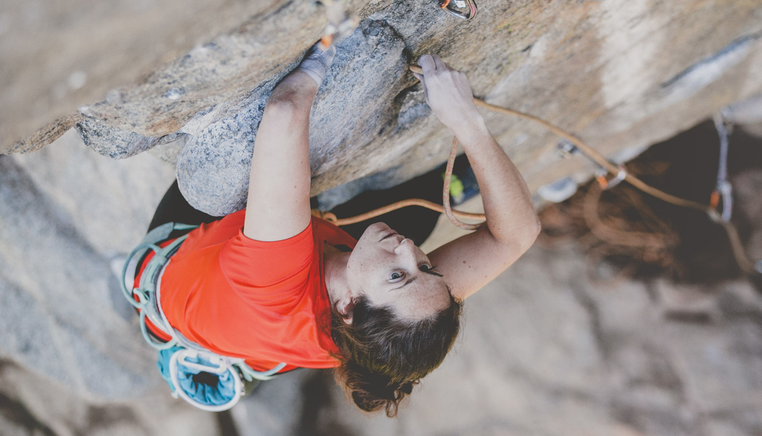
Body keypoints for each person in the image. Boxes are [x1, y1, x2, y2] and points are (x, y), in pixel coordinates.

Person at [131, 47, 541, 416]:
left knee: (225, 171)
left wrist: (332, 38)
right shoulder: (391, 325)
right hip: (265, 318)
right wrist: (469, 125)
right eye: (427, 267)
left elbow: (285, 110)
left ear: (346, 309)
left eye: (398, 275)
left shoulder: (275, 282)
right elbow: (515, 235)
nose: (408, 250)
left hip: (176, 263)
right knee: (419, 218)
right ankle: (447, 186)